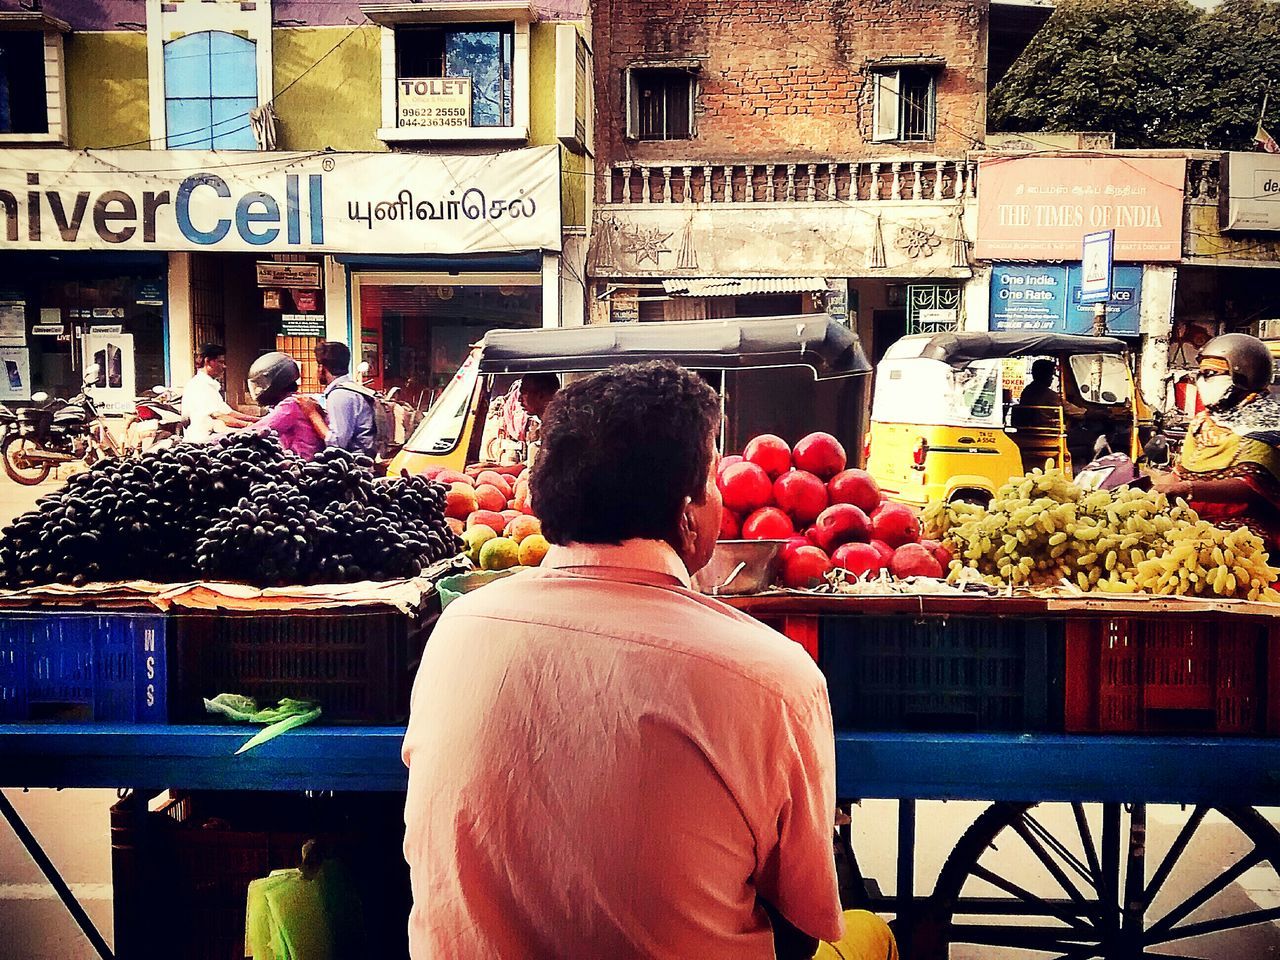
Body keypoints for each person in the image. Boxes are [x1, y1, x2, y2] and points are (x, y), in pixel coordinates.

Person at [403, 361, 894, 959]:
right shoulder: (773, 677)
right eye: (713, 480)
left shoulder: (456, 631)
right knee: (872, 936)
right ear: (689, 512)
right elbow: (803, 927)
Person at [1153, 333, 1280, 553]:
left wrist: (1189, 489)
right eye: (1199, 375)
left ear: (1243, 376)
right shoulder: (1202, 421)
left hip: (1247, 529)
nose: (1201, 382)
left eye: (1210, 374)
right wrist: (1154, 490)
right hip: (1193, 521)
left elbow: (1251, 485)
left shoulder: (1269, 422)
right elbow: (1181, 472)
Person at [243, 352, 327, 461]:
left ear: (275, 383)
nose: (258, 390)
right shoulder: (299, 400)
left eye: (261, 385)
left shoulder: (290, 405)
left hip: (301, 466)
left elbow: (257, 430)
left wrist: (216, 439)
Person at [180, 343, 257, 443]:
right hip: (203, 440)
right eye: (220, 362)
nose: (224, 366)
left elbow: (229, 413)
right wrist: (247, 425)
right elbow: (218, 415)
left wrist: (257, 420)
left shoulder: (210, 385)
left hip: (214, 435)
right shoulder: (199, 385)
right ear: (208, 361)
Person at [314, 341, 376, 457]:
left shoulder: (340, 394)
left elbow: (337, 444)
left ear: (322, 368)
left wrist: (312, 415)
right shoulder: (351, 389)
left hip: (357, 466)